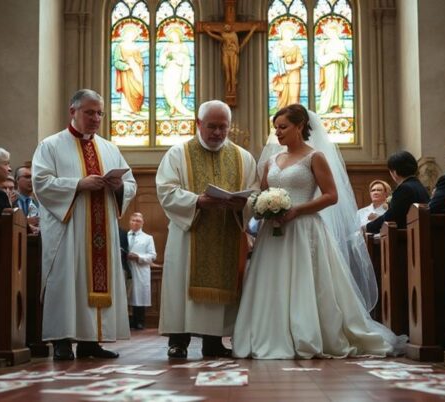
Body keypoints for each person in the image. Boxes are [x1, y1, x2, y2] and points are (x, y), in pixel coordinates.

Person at [233, 104, 402, 359]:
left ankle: (308, 335)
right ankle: (269, 333)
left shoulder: (315, 157)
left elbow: (331, 196)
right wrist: (263, 207)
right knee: (272, 282)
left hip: (304, 228)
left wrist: (297, 210)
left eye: (283, 127)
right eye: (275, 128)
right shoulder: (270, 161)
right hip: (274, 232)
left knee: (306, 282)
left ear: (299, 126)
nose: (277, 133)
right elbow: (263, 193)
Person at [32, 89, 137, 360]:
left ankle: (92, 341)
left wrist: (118, 186)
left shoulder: (109, 148)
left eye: (100, 113)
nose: (95, 118)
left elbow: (132, 184)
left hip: (102, 229)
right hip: (69, 230)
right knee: (66, 281)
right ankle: (62, 341)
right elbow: (41, 183)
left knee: (95, 282)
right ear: (73, 112)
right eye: (89, 112)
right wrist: (79, 184)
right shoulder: (51, 145)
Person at [156, 100, 258, 359]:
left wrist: (242, 204)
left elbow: (255, 195)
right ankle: (178, 341)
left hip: (226, 233)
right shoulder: (178, 153)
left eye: (223, 127)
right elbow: (166, 191)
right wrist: (197, 201)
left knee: (222, 292)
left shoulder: (242, 157)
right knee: (182, 288)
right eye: (211, 126)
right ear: (198, 124)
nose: (217, 133)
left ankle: (213, 343)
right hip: (189, 234)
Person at [365, 151, 429, 233]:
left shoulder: (404, 189)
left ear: (394, 172)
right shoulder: (419, 186)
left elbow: (391, 218)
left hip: (407, 238)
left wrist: (368, 227)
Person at [204, 24, 258, 96]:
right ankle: (228, 84)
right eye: (225, 27)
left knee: (233, 71)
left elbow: (244, 42)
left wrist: (252, 30)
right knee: (227, 70)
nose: (227, 28)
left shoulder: (234, 36)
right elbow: (217, 37)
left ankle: (233, 88)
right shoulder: (223, 36)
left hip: (233, 55)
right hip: (226, 54)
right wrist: (209, 32)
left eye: (228, 27)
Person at [126, 212, 156, 330]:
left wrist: (138, 257)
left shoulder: (148, 238)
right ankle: (128, 321)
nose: (135, 222)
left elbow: (152, 256)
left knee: (139, 295)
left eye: (138, 221)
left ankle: (139, 321)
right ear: (129, 221)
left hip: (140, 269)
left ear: (142, 223)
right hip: (127, 269)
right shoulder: (124, 236)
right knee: (128, 295)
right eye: (133, 220)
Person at [316, 21, 351, 114]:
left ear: (337, 32)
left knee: (337, 86)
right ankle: (325, 107)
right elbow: (319, 58)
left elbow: (346, 58)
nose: (331, 33)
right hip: (327, 69)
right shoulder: (325, 44)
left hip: (338, 68)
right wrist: (330, 58)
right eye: (329, 32)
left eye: (333, 31)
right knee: (327, 87)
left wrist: (338, 58)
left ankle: (336, 105)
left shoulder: (341, 43)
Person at [159, 24, 192, 116]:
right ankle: (171, 106)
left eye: (175, 35)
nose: (174, 37)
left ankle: (175, 108)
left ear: (179, 36)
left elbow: (186, 59)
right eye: (172, 36)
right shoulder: (166, 46)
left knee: (176, 89)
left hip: (178, 70)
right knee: (167, 89)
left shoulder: (183, 46)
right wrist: (165, 55)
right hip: (168, 70)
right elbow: (161, 60)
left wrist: (175, 56)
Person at [113, 23, 145, 116]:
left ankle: (135, 109)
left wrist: (136, 63)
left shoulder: (136, 47)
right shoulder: (120, 46)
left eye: (133, 35)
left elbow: (140, 61)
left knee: (138, 91)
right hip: (126, 73)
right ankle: (126, 109)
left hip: (136, 71)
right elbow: (116, 61)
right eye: (129, 34)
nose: (131, 36)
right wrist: (126, 66)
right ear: (125, 35)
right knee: (127, 90)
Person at [272, 21, 304, 109]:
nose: (288, 34)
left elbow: (300, 61)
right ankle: (283, 112)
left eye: (290, 33)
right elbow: (276, 62)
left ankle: (294, 114)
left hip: (295, 75)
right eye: (286, 32)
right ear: (282, 34)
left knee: (294, 94)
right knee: (283, 96)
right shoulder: (278, 46)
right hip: (283, 74)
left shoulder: (296, 47)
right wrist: (286, 66)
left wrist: (291, 66)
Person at [14, 165, 40, 230]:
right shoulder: (12, 200)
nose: (31, 180)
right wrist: (26, 222)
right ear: (17, 179)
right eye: (27, 177)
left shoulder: (39, 201)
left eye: (32, 177)